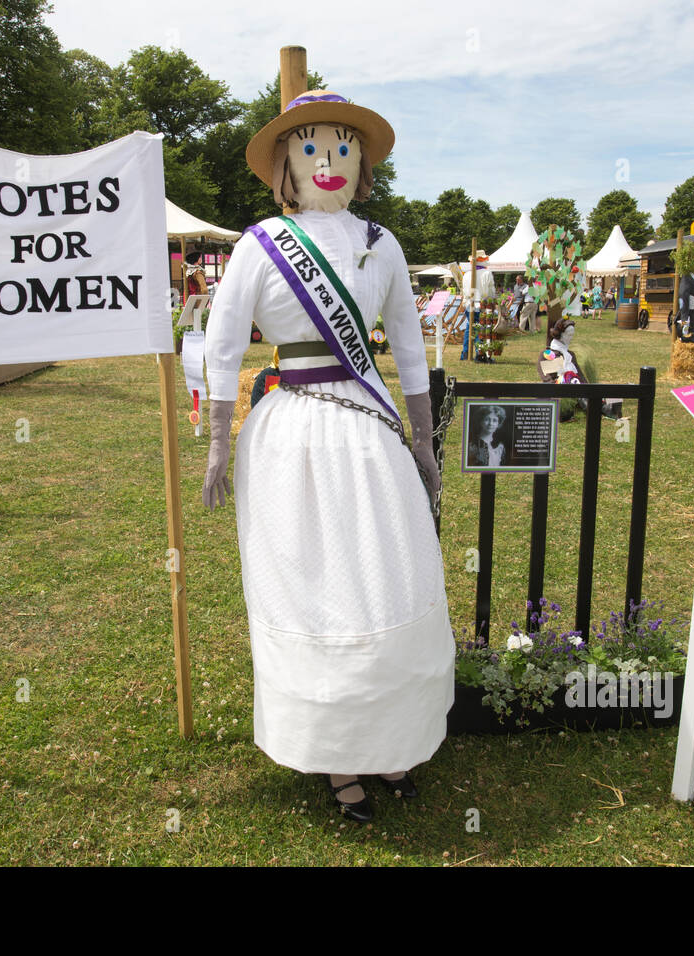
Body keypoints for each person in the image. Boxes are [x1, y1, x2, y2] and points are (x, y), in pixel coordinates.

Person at [201, 90, 454, 824]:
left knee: (385, 581)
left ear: (362, 160)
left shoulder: (385, 243)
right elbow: (221, 347)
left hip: (369, 434)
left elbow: (408, 348)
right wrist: (219, 437)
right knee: (312, 586)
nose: (329, 162)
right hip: (291, 437)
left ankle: (390, 737)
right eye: (311, 148)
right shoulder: (258, 245)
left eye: (343, 147)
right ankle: (336, 753)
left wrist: (423, 437)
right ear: (286, 162)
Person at [460, 250, 495, 360]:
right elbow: (490, 292)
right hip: (481, 304)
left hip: (469, 304)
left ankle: (465, 353)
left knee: (469, 328)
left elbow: (464, 291)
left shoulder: (466, 274)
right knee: (481, 329)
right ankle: (480, 354)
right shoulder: (486, 273)